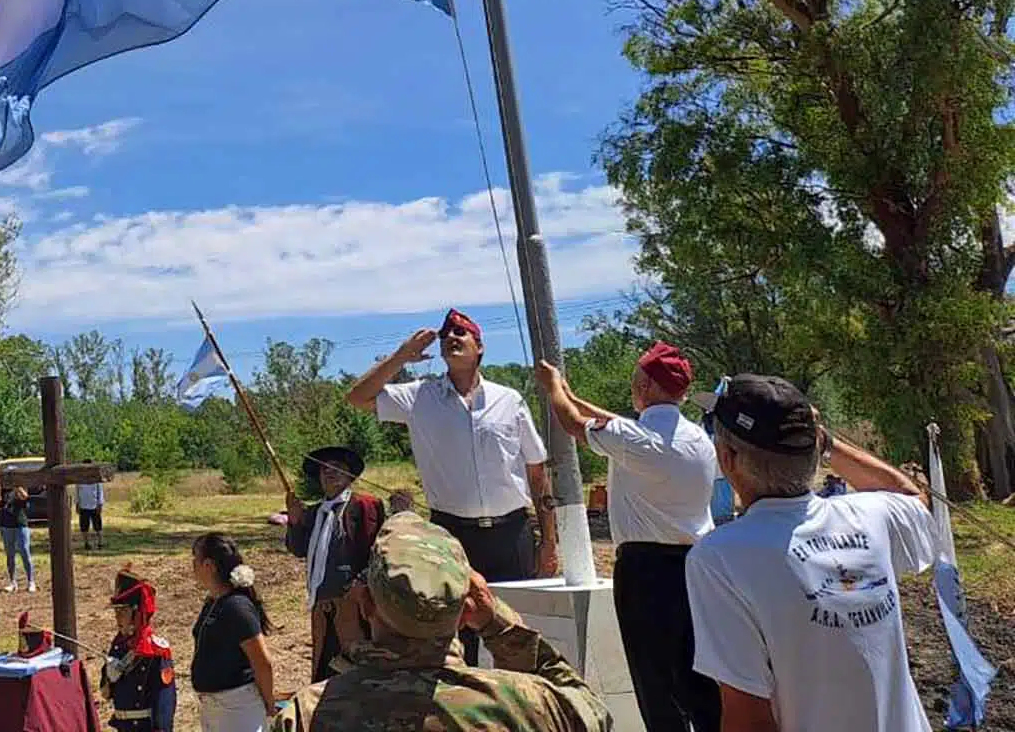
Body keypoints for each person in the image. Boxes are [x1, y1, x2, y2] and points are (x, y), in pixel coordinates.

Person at [684, 375, 937, 732]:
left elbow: (748, 719)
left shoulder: (720, 559)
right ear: (816, 450)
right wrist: (830, 443)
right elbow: (913, 499)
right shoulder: (869, 517)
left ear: (727, 458)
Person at [345, 309, 558, 662]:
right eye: (447, 336)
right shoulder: (419, 396)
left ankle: (515, 709)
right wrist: (401, 356)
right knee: (455, 635)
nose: (452, 339)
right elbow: (357, 398)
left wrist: (549, 542)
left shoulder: (509, 400)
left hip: (512, 534)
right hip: (451, 536)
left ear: (480, 347)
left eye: (462, 333)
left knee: (513, 632)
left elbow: (537, 472)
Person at [286, 512, 611, 732]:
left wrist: (352, 649)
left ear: (366, 603)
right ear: (468, 607)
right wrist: (498, 623)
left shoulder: (308, 714)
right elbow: (593, 715)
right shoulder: (524, 703)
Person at [535, 344, 719, 732]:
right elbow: (617, 425)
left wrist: (553, 389)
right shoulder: (697, 438)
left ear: (647, 385)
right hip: (698, 566)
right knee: (697, 674)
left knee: (653, 679)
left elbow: (572, 424)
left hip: (647, 570)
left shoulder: (637, 441)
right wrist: (573, 395)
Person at [283, 446, 385, 683]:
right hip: (322, 607)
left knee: (358, 669)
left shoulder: (364, 505)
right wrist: (295, 522)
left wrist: (359, 588)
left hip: (356, 606)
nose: (330, 472)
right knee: (326, 668)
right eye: (325, 469)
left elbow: (378, 552)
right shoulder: (315, 512)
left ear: (350, 476)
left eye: (338, 468)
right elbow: (299, 549)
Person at [189, 533, 274, 732]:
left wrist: (269, 702)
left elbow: (262, 661)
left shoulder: (237, 607)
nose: (192, 567)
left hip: (237, 709)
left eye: (195, 560)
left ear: (209, 566)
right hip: (214, 707)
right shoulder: (213, 602)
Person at [102, 566, 176, 732]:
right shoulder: (118, 644)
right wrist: (108, 677)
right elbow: (106, 693)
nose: (117, 617)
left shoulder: (156, 650)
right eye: (116, 611)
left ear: (137, 612)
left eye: (123, 611)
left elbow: (164, 703)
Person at [0, 485, 36, 592]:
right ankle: (13, 582)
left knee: (24, 551)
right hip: (6, 525)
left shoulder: (20, 486)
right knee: (10, 554)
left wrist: (17, 486)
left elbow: (25, 497)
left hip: (20, 524)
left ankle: (31, 581)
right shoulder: (3, 488)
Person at [76, 465, 107, 551]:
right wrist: (77, 503)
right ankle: (86, 543)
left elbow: (100, 493)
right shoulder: (80, 479)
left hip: (94, 506)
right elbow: (77, 492)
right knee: (84, 527)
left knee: (98, 526)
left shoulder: (97, 479)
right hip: (83, 506)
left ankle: (100, 543)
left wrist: (100, 504)